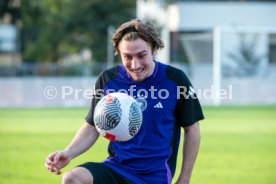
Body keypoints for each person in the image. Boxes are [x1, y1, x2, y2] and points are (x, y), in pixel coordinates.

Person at [45, 19, 204, 184]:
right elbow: (93, 126)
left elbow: (192, 130)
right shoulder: (109, 80)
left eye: (142, 55)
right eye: (127, 57)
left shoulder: (175, 79)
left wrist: (184, 179)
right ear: (118, 53)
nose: (135, 64)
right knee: (72, 178)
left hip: (154, 177)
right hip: (116, 168)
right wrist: (69, 152)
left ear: (154, 50)